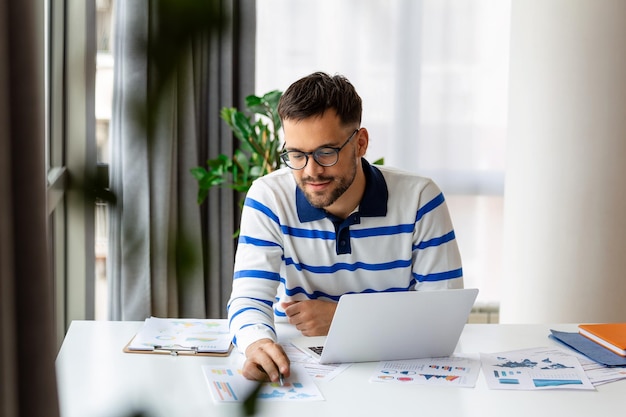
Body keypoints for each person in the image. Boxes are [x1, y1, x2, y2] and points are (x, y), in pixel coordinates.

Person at [227, 72, 463, 383]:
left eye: (326, 153)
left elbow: (442, 318)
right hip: (297, 362)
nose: (311, 172)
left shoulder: (420, 198)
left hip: (396, 364)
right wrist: (257, 343)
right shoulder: (268, 197)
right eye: (297, 154)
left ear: (360, 143)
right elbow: (249, 299)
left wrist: (342, 318)